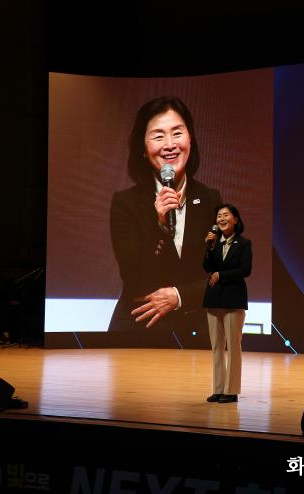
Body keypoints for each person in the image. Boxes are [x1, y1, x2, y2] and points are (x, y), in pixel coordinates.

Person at [108, 96, 222, 341]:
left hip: (196, 329)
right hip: (139, 326)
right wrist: (158, 226)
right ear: (142, 148)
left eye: (177, 133)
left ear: (190, 140)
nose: (170, 145)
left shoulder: (211, 200)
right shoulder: (125, 203)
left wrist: (178, 296)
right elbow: (132, 274)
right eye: (158, 136)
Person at [202, 204, 252, 403]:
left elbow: (245, 270)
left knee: (233, 347)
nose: (221, 219)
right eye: (219, 216)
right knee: (216, 347)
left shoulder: (244, 243)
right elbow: (207, 267)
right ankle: (218, 388)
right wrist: (209, 247)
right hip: (213, 299)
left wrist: (221, 275)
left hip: (233, 299)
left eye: (226, 215)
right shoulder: (214, 243)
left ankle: (231, 391)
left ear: (235, 219)